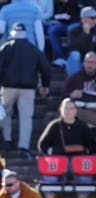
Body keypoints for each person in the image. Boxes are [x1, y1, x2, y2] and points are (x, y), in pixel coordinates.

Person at [0, 23, 51, 157]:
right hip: (28, 89)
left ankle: (7, 140)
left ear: (12, 33)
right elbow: (45, 69)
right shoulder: (33, 49)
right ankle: (24, 147)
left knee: (6, 114)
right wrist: (45, 85)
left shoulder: (5, 48)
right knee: (26, 118)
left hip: (8, 87)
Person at [64, 50, 96, 132]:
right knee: (65, 110)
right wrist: (71, 95)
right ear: (83, 63)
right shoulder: (74, 78)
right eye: (88, 62)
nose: (90, 65)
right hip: (77, 110)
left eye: (93, 62)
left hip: (95, 111)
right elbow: (63, 97)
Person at [65, 6, 96, 77]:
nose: (95, 20)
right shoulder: (73, 31)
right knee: (75, 55)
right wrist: (85, 34)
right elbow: (74, 48)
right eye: (92, 18)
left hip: (93, 61)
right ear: (84, 20)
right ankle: (74, 82)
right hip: (79, 61)